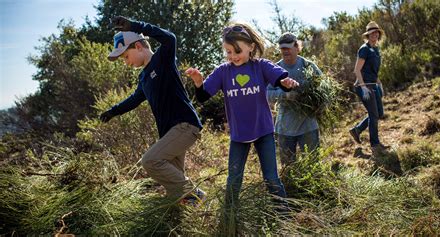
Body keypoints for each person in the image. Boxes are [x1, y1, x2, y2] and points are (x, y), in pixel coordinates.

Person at [185, 23, 299, 222]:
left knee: (271, 178)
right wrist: (198, 82)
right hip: (239, 135)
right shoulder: (223, 71)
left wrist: (286, 83)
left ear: (250, 47)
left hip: (263, 131)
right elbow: (203, 96)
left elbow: (280, 78)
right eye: (228, 51)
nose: (233, 56)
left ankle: (285, 219)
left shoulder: (260, 66)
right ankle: (229, 219)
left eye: (237, 50)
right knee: (234, 180)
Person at [99, 16, 205, 205]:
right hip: (169, 133)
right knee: (175, 190)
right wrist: (113, 111)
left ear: (138, 46)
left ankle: (196, 193)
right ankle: (188, 215)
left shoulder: (162, 59)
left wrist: (136, 26)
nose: (126, 62)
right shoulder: (144, 78)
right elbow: (134, 100)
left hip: (185, 125)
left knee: (150, 161)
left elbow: (170, 38)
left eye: (126, 56)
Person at [267, 32, 323, 166]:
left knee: (313, 165)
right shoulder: (276, 69)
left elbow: (322, 86)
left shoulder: (307, 66)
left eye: (288, 48)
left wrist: (319, 103)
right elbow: (267, 93)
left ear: (297, 47)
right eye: (282, 49)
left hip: (308, 125)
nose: (285, 51)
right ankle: (290, 187)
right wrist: (285, 95)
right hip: (285, 128)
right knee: (288, 168)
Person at [349, 21, 389, 155]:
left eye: (376, 32)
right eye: (372, 32)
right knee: (373, 115)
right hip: (363, 86)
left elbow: (372, 70)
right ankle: (375, 145)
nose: (375, 34)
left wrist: (379, 82)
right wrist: (363, 87)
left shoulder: (376, 49)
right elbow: (357, 70)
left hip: (373, 84)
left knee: (379, 113)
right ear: (368, 35)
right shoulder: (364, 49)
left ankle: (357, 130)